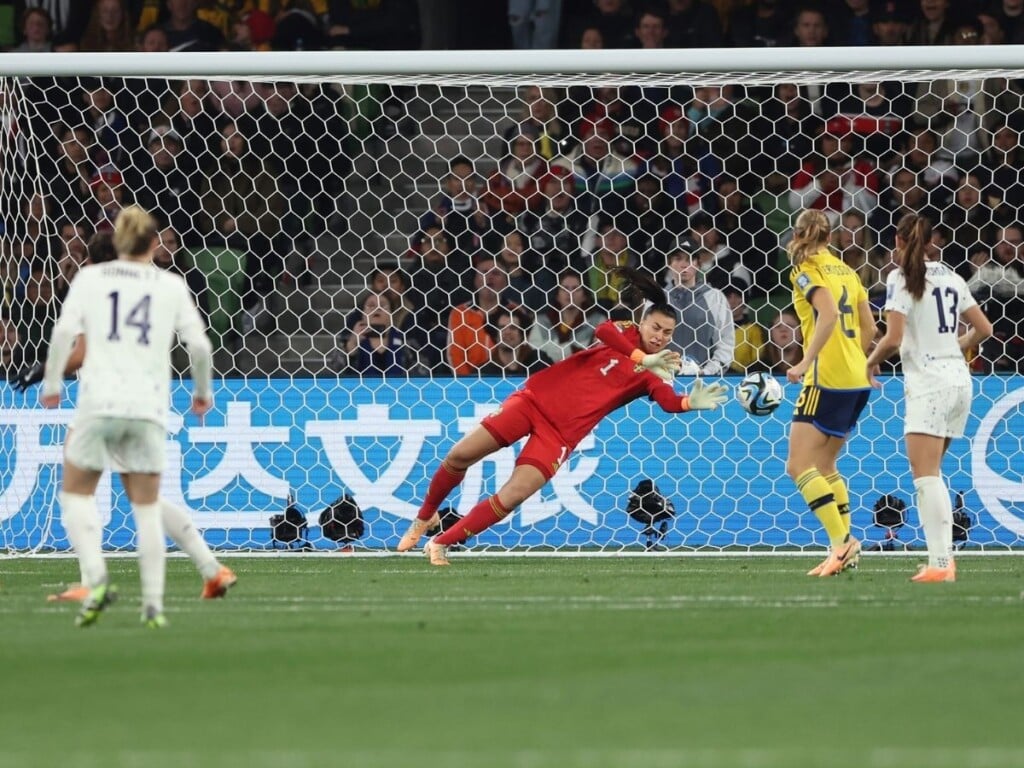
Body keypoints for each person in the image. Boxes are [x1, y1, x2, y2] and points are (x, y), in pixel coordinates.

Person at [395, 267, 729, 565]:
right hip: (534, 401)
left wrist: (689, 403)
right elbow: (603, 333)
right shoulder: (625, 332)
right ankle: (424, 517)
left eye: (668, 333)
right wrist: (643, 356)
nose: (660, 337)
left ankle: (441, 542)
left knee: (513, 495)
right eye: (656, 327)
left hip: (560, 436)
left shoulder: (660, 369)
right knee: (460, 455)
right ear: (643, 322)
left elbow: (668, 401)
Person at [14, 230, 236, 604]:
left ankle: (92, 581)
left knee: (77, 491)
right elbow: (196, 343)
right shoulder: (157, 290)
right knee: (144, 497)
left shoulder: (94, 289)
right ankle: (212, 569)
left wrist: (45, 370)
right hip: (147, 404)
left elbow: (81, 351)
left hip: (103, 403)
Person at [865, 213, 992, 583]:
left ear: (897, 241)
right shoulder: (952, 276)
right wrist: (956, 347)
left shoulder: (900, 277)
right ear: (933, 242)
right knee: (932, 474)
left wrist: (868, 363)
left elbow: (891, 337)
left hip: (930, 384)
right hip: (960, 381)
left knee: (925, 478)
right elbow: (984, 328)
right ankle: (941, 561)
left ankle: (941, 564)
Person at [784, 209, 876, 577]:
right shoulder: (848, 271)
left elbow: (828, 314)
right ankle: (845, 546)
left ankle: (842, 544)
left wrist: (806, 361)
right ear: (830, 236)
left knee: (798, 466)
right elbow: (869, 326)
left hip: (826, 378)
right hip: (856, 378)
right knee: (825, 466)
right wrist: (862, 361)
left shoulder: (806, 270)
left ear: (799, 234)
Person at [664, 242, 734, 376]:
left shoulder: (715, 298)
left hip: (705, 379)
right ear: (669, 263)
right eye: (678, 259)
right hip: (665, 378)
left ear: (698, 264)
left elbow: (725, 342)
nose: (684, 265)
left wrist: (707, 372)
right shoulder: (657, 297)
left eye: (690, 259)